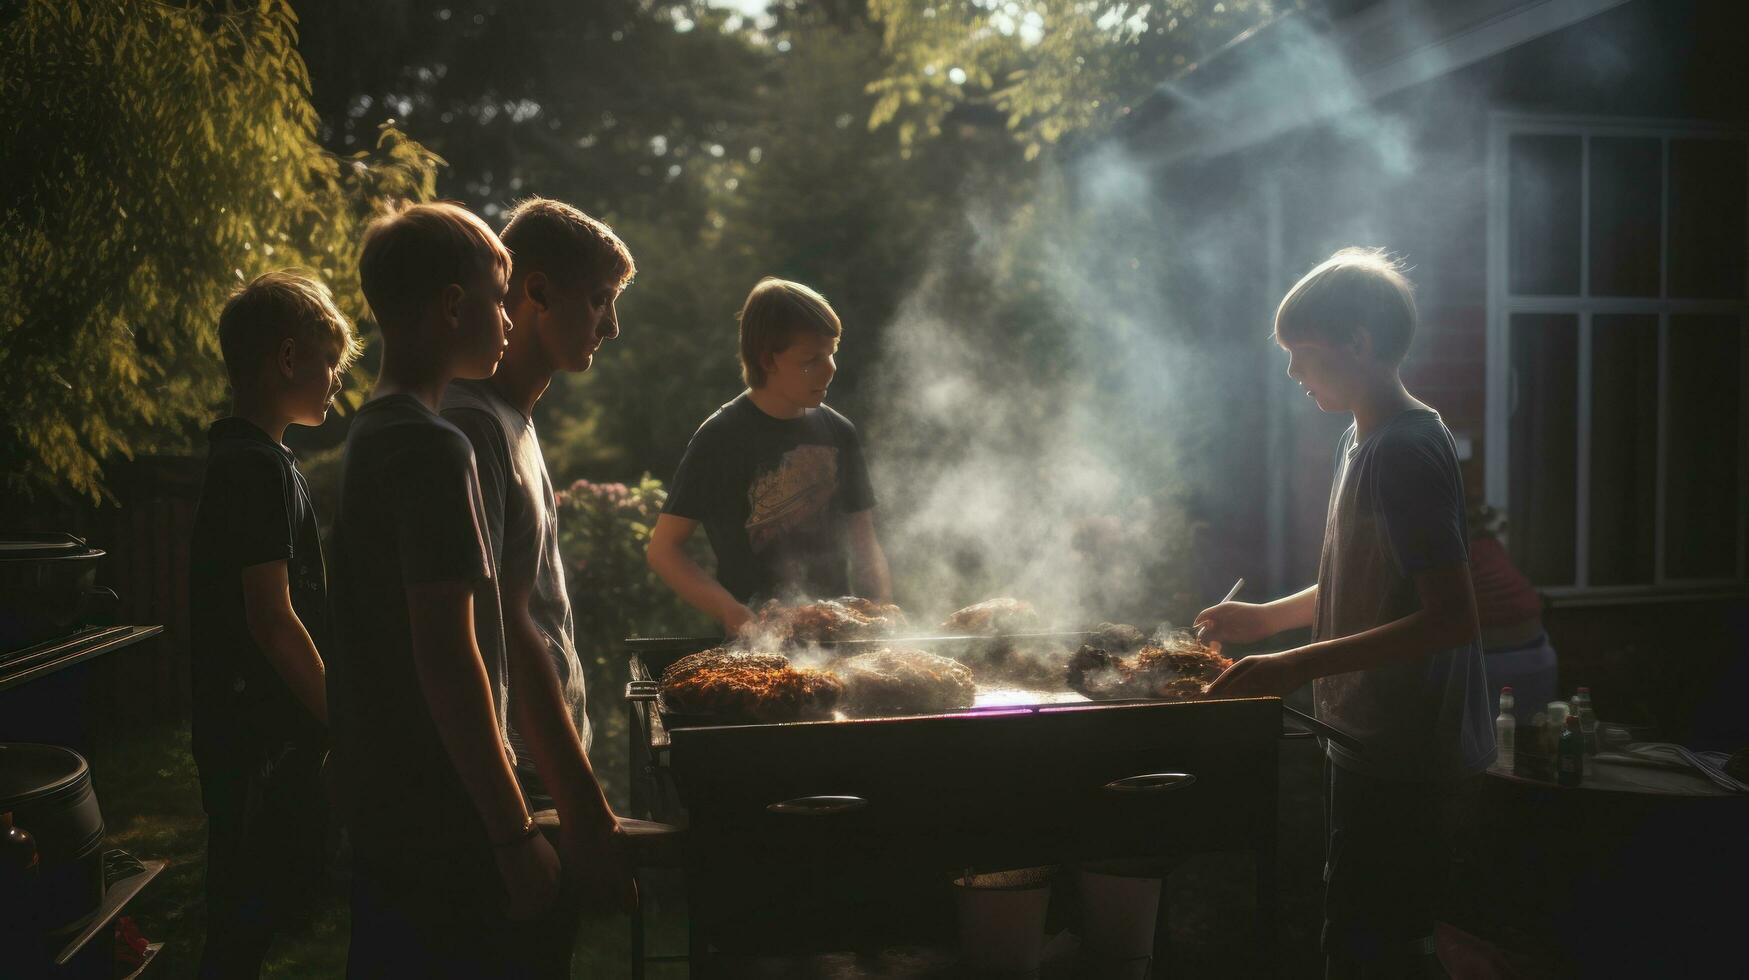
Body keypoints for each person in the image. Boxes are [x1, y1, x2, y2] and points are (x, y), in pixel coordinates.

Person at [328, 202, 609, 979]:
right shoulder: (435, 447)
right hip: (450, 825)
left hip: (393, 812)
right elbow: (451, 658)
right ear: (454, 307)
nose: (510, 320)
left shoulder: (371, 432)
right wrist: (514, 837)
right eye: (497, 296)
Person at [1197, 248, 1494, 978]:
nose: (1293, 374)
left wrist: (1293, 664)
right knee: (1355, 922)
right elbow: (1354, 579)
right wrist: (1268, 620)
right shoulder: (1356, 437)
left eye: (1303, 355)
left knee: (1379, 942)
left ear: (1358, 343)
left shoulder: (1406, 450)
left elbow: (1451, 618)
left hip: (1406, 752)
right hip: (1363, 733)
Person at [439, 197, 634, 901]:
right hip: (501, 794)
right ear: (538, 292)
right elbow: (507, 631)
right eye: (599, 300)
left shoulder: (513, 421)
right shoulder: (471, 426)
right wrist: (583, 808)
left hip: (534, 778)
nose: (610, 326)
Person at [188, 270, 354, 978]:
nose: (335, 387)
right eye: (329, 366)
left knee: (251, 907)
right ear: (288, 359)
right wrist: (340, 719)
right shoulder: (255, 468)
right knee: (244, 916)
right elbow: (273, 620)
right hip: (256, 739)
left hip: (252, 733)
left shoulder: (254, 459)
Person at [647, 277, 891, 634]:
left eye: (832, 353)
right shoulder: (719, 438)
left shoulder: (840, 432)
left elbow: (864, 541)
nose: (830, 369)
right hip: (756, 649)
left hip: (841, 638)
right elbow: (664, 550)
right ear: (767, 360)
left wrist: (882, 612)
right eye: (811, 360)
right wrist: (731, 612)